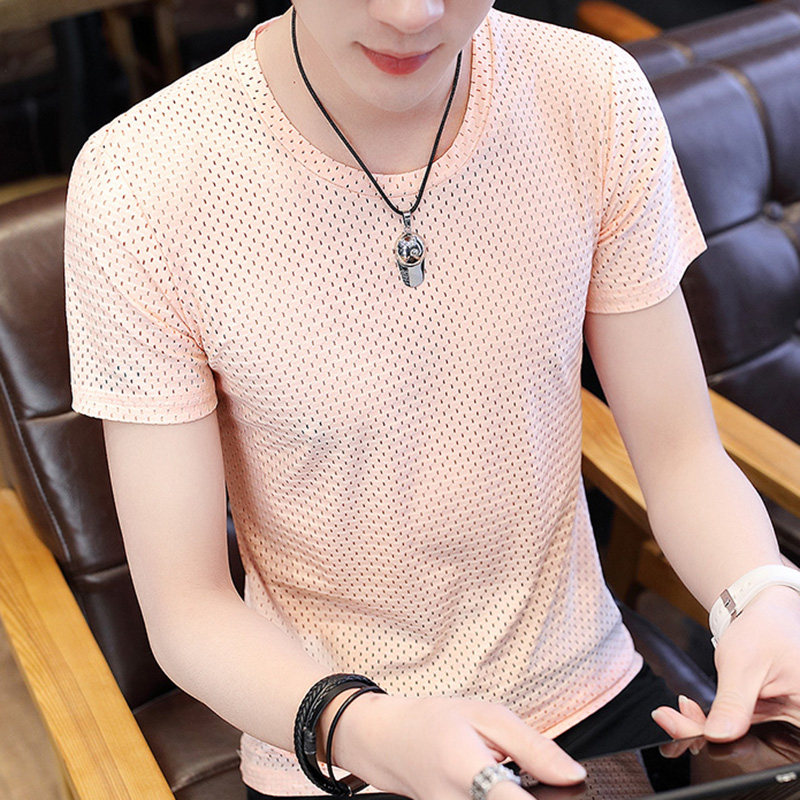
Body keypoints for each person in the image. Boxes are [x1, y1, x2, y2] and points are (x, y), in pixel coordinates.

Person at [63, 2, 800, 799]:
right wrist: (369, 730)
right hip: (342, 742)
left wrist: (762, 596)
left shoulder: (591, 94)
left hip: (591, 705)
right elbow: (187, 612)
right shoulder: (139, 184)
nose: (412, 14)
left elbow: (682, 454)